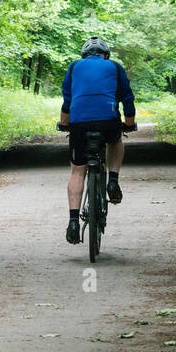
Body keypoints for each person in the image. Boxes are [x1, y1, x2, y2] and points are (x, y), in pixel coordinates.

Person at [59, 36, 136, 245]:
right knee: (116, 141)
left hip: (79, 123)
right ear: (106, 55)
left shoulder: (74, 67)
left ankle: (73, 222)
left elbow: (67, 99)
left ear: (84, 56)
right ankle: (112, 181)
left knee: (77, 170)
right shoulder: (115, 67)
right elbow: (127, 98)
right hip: (108, 121)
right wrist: (129, 123)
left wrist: (64, 123)